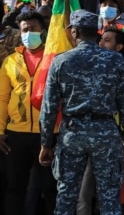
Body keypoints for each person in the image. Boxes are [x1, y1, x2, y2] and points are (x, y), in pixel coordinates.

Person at [39, 10, 124, 214]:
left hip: (73, 133)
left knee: (66, 194)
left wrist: (46, 143)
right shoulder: (115, 60)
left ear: (74, 32)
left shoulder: (61, 61)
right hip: (106, 133)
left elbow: (49, 108)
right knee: (109, 196)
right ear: (97, 32)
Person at [0, 11, 57, 214]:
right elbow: (2, 97)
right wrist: (0, 131)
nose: (29, 33)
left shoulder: (54, 59)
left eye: (33, 28)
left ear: (42, 30)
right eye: (25, 29)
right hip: (16, 134)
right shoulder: (10, 61)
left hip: (49, 133)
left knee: (51, 189)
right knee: (14, 188)